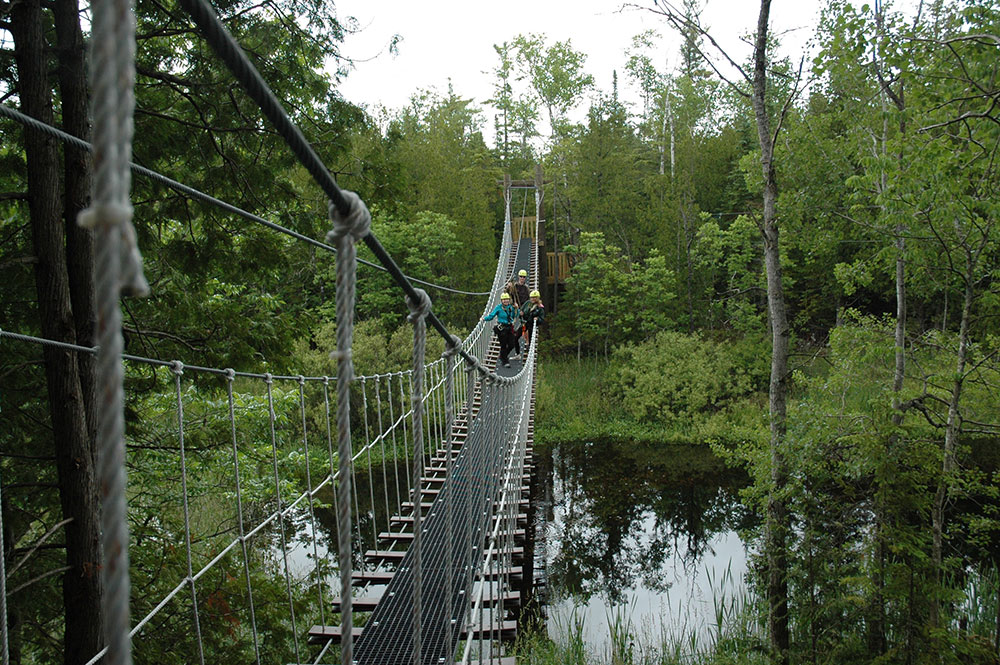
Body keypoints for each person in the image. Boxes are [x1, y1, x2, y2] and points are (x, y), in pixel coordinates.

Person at [483, 292, 519, 367]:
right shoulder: (498, 307)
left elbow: (515, 315)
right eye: (504, 299)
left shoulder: (511, 307)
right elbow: (491, 316)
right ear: (501, 300)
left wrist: (517, 309)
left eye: (507, 299)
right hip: (502, 329)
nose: (506, 301)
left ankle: (503, 356)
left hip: (509, 328)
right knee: (503, 345)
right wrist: (484, 319)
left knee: (511, 344)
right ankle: (505, 361)